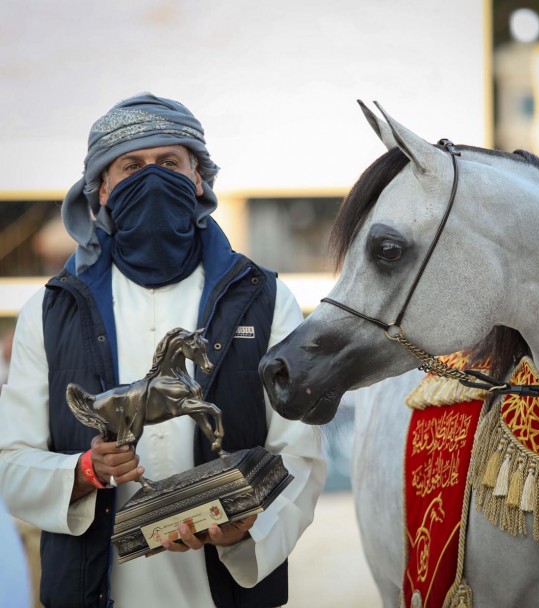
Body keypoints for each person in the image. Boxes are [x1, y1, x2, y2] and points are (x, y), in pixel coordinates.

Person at [0, 93, 326, 608]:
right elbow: (10, 463)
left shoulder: (263, 299)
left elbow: (301, 455)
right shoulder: (50, 310)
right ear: (101, 188)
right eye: (131, 166)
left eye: (169, 163)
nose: (152, 178)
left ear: (198, 179)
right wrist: (85, 472)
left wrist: (247, 530)